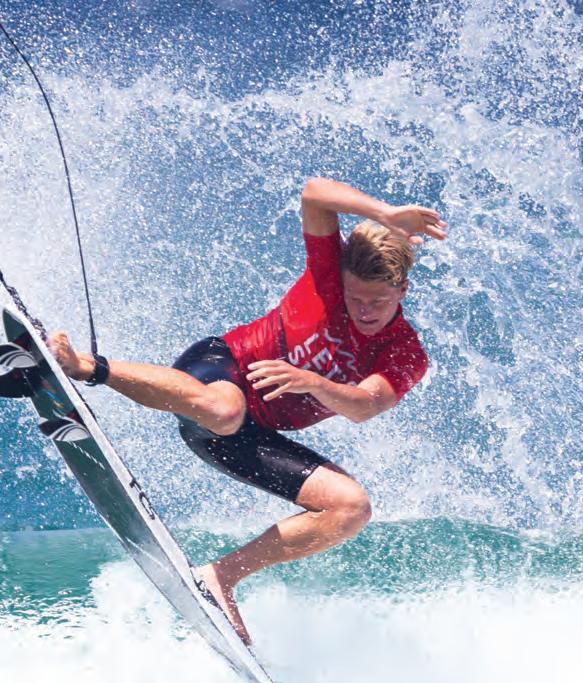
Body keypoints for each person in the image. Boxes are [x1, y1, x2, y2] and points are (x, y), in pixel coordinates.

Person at [47, 177, 447, 645]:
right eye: (355, 297)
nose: (364, 310)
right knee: (224, 408)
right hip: (218, 373)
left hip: (243, 435)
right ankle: (85, 366)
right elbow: (314, 193)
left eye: (377, 301)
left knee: (351, 507)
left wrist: (313, 383)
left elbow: (367, 404)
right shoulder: (326, 276)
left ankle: (220, 577)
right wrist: (385, 214)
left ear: (402, 289)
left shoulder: (404, 351)